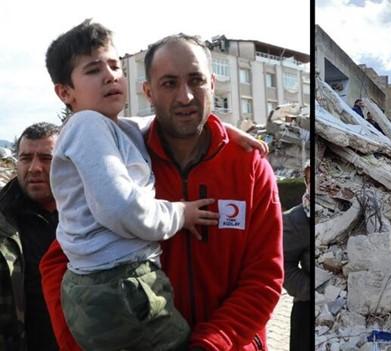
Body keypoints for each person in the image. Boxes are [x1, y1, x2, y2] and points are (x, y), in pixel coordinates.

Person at [40, 31, 283, 351]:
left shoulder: (249, 167)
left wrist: (213, 344)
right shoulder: (121, 160)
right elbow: (58, 263)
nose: (185, 97)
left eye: (195, 80)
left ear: (212, 84)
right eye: (169, 83)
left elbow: (265, 278)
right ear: (148, 92)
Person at [1, 123, 60, 351]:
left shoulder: (92, 215)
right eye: (26, 158)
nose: (35, 168)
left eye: (46, 158)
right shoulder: (4, 219)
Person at [282, 161, 311, 351]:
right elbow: (283, 265)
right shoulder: (296, 219)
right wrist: (309, 290)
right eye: (309, 180)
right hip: (306, 310)